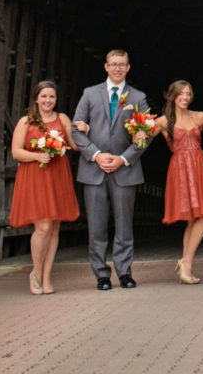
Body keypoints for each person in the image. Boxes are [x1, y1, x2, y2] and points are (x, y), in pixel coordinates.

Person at [71, 49, 149, 290]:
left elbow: (144, 136)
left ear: (128, 68)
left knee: (124, 225)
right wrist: (96, 155)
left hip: (124, 170)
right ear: (105, 66)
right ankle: (101, 274)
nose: (117, 68)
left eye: (122, 64)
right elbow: (76, 129)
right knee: (96, 225)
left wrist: (123, 159)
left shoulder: (138, 97)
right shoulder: (90, 94)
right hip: (94, 169)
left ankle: (125, 272)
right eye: (113, 64)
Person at [8, 80, 80, 295]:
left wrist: (83, 128)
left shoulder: (62, 119)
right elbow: (16, 152)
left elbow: (75, 144)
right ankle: (36, 273)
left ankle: (47, 275)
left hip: (58, 175)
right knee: (43, 228)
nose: (48, 100)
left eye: (52, 97)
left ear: (56, 99)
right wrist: (37, 155)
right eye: (44, 96)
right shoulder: (25, 122)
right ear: (36, 98)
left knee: (55, 228)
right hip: (35, 176)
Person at [152, 80, 203, 284]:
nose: (185, 97)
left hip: (199, 165)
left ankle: (186, 263)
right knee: (193, 217)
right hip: (179, 168)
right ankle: (186, 265)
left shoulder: (201, 117)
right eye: (181, 94)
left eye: (188, 93)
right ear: (172, 96)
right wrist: (137, 132)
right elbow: (139, 141)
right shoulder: (162, 121)